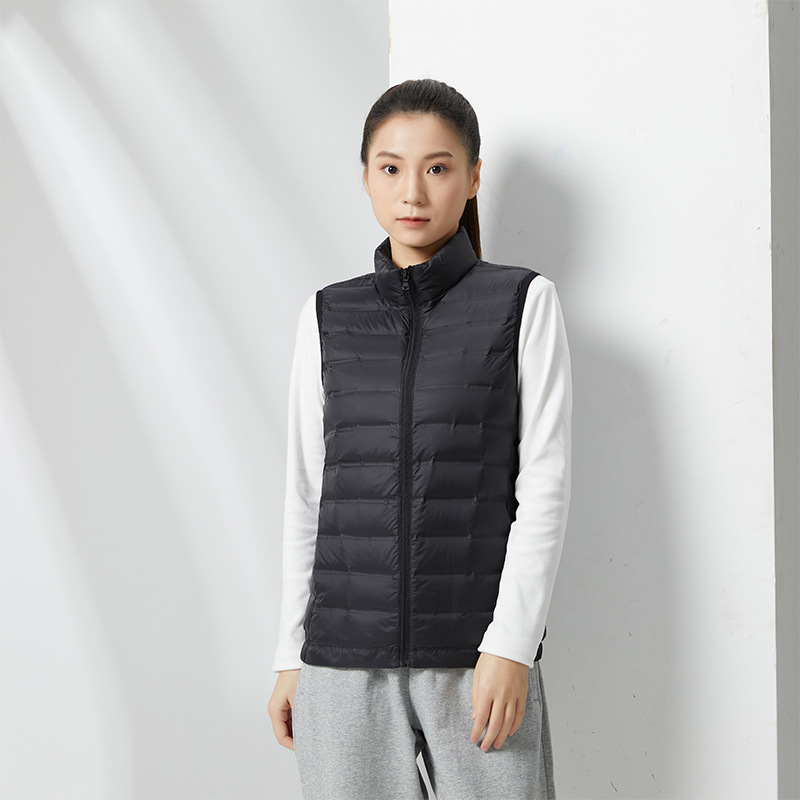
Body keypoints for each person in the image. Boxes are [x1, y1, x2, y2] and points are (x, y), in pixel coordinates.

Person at [267, 78, 572, 800]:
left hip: (475, 660)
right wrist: (291, 652)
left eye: (438, 167)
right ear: (366, 177)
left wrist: (511, 645)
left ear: (473, 177)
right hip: (342, 665)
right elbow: (308, 493)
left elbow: (546, 486)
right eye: (391, 167)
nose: (413, 191)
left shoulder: (522, 302)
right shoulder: (327, 315)